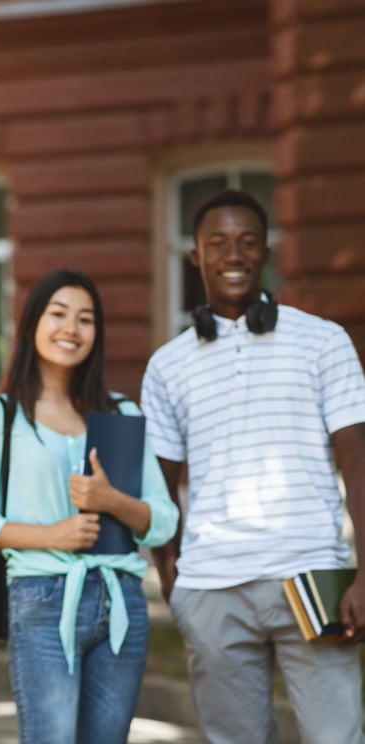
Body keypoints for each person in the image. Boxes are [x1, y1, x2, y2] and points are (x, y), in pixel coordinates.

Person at [142, 188, 365, 743]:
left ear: (266, 251)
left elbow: (358, 460)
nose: (232, 254)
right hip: (213, 588)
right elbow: (160, 488)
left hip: (313, 575)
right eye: (217, 243)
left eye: (246, 241)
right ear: (194, 255)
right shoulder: (167, 365)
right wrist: (175, 581)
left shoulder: (323, 341)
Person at [0, 268, 178, 743]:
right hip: (40, 597)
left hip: (121, 597)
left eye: (85, 319)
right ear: (32, 323)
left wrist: (113, 501)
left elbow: (163, 521)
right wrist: (51, 536)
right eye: (58, 314)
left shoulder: (121, 414)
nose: (71, 329)